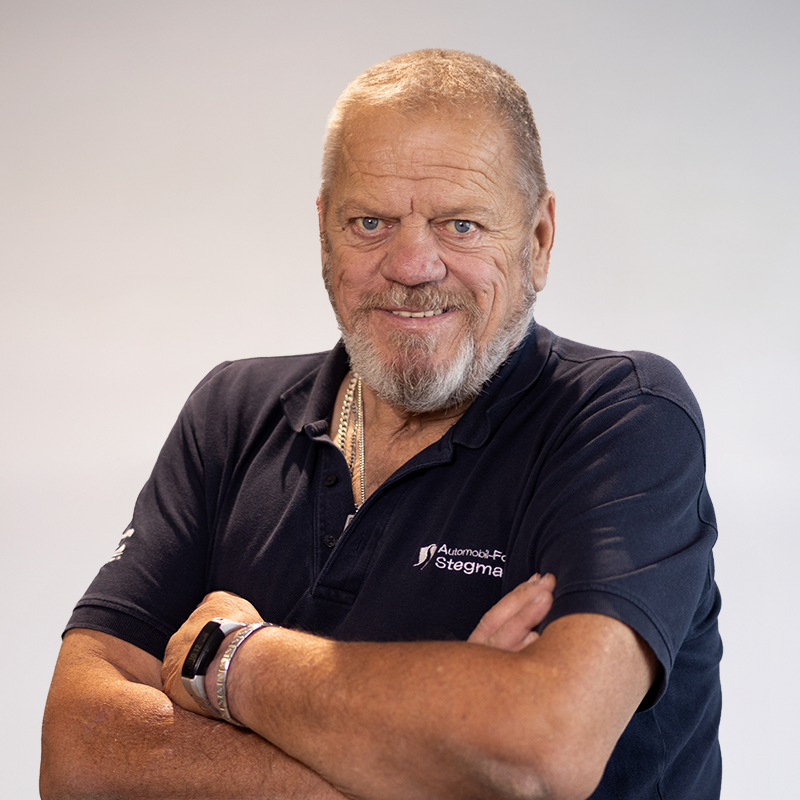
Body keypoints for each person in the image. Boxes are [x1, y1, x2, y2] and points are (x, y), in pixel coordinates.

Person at [40, 49, 722, 800]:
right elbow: (79, 753)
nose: (412, 264)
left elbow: (542, 749)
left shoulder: (623, 419)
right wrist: (437, 757)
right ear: (324, 234)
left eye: (460, 225)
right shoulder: (232, 413)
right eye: (370, 222)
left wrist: (234, 663)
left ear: (537, 239)